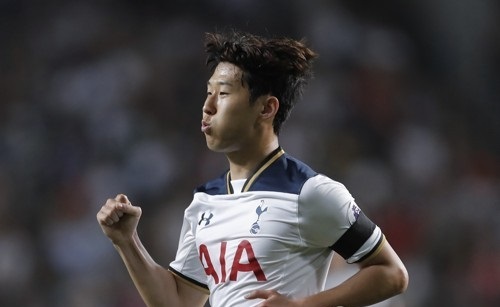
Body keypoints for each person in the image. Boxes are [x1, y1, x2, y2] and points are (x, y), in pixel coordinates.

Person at [97, 30, 409, 307]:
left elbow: (391, 273)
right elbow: (177, 302)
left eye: (223, 94)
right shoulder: (205, 201)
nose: (208, 107)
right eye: (208, 93)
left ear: (266, 107)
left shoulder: (310, 192)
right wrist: (126, 241)